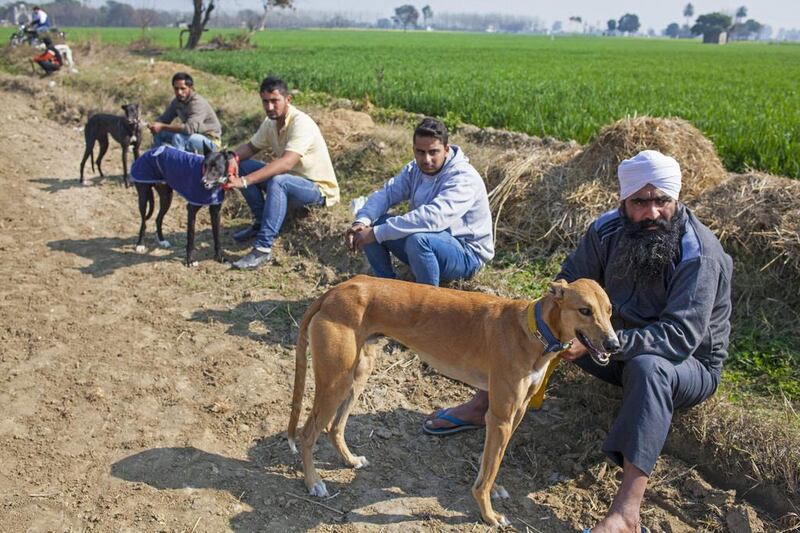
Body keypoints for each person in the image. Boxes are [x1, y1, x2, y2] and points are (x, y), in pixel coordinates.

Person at [426, 150, 732, 533]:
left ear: (676, 199)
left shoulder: (698, 254)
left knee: (649, 366)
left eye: (662, 201)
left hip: (685, 364)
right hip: (607, 340)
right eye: (640, 201)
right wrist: (571, 330)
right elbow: (565, 288)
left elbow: (680, 338)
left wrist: (598, 341)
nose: (651, 212)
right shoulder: (607, 230)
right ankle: (488, 402)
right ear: (624, 201)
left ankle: (626, 514)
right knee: (542, 325)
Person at [345, 117, 494, 287]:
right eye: (420, 152)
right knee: (373, 224)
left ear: (446, 149)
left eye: (433, 152)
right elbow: (386, 194)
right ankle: (385, 287)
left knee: (417, 240)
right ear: (413, 149)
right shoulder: (414, 169)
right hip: (429, 243)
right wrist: (362, 220)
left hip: (466, 254)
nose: (426, 159)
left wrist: (377, 233)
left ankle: (426, 303)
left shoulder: (463, 177)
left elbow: (433, 218)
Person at [224, 76, 340, 270]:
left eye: (274, 101)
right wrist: (228, 159)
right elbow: (251, 147)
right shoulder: (270, 123)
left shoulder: (301, 123)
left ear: (288, 100)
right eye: (265, 101)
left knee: (279, 180)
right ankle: (261, 222)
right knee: (242, 165)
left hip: (315, 189)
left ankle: (262, 248)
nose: (269, 107)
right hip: (288, 181)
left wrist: (244, 181)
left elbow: (286, 163)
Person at [148, 72, 222, 154]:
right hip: (191, 136)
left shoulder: (197, 103)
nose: (179, 92)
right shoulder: (177, 102)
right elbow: (163, 119)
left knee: (179, 138)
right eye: (176, 89)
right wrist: (153, 124)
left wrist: (162, 127)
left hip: (210, 141)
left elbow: (188, 129)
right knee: (160, 134)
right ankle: (155, 162)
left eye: (183, 88)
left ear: (190, 88)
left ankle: (178, 165)